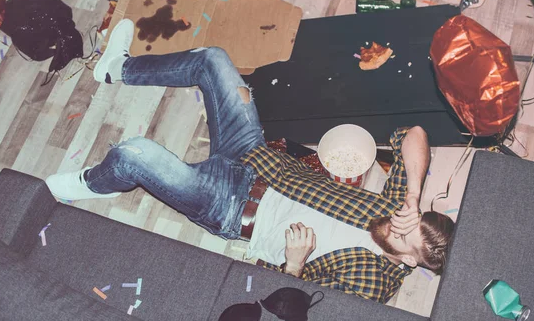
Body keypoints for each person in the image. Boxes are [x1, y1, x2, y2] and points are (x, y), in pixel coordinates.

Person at [46, 19, 455, 303]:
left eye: (405, 237)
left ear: (407, 261)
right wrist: (413, 198)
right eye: (410, 222)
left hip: (231, 207)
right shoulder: (400, 212)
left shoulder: (372, 285)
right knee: (215, 60)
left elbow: (290, 306)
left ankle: (90, 186)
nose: (398, 225)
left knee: (133, 154)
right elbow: (417, 135)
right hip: (256, 156)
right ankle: (117, 68)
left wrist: (294, 264)